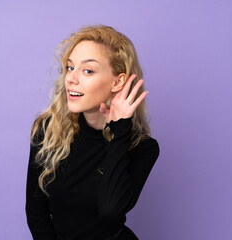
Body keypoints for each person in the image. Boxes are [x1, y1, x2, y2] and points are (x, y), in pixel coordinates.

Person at [25, 25, 160, 240]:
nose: (71, 79)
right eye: (70, 68)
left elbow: (110, 210)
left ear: (118, 82)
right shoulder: (48, 130)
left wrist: (120, 130)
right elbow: (36, 212)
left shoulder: (142, 148)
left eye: (88, 70)